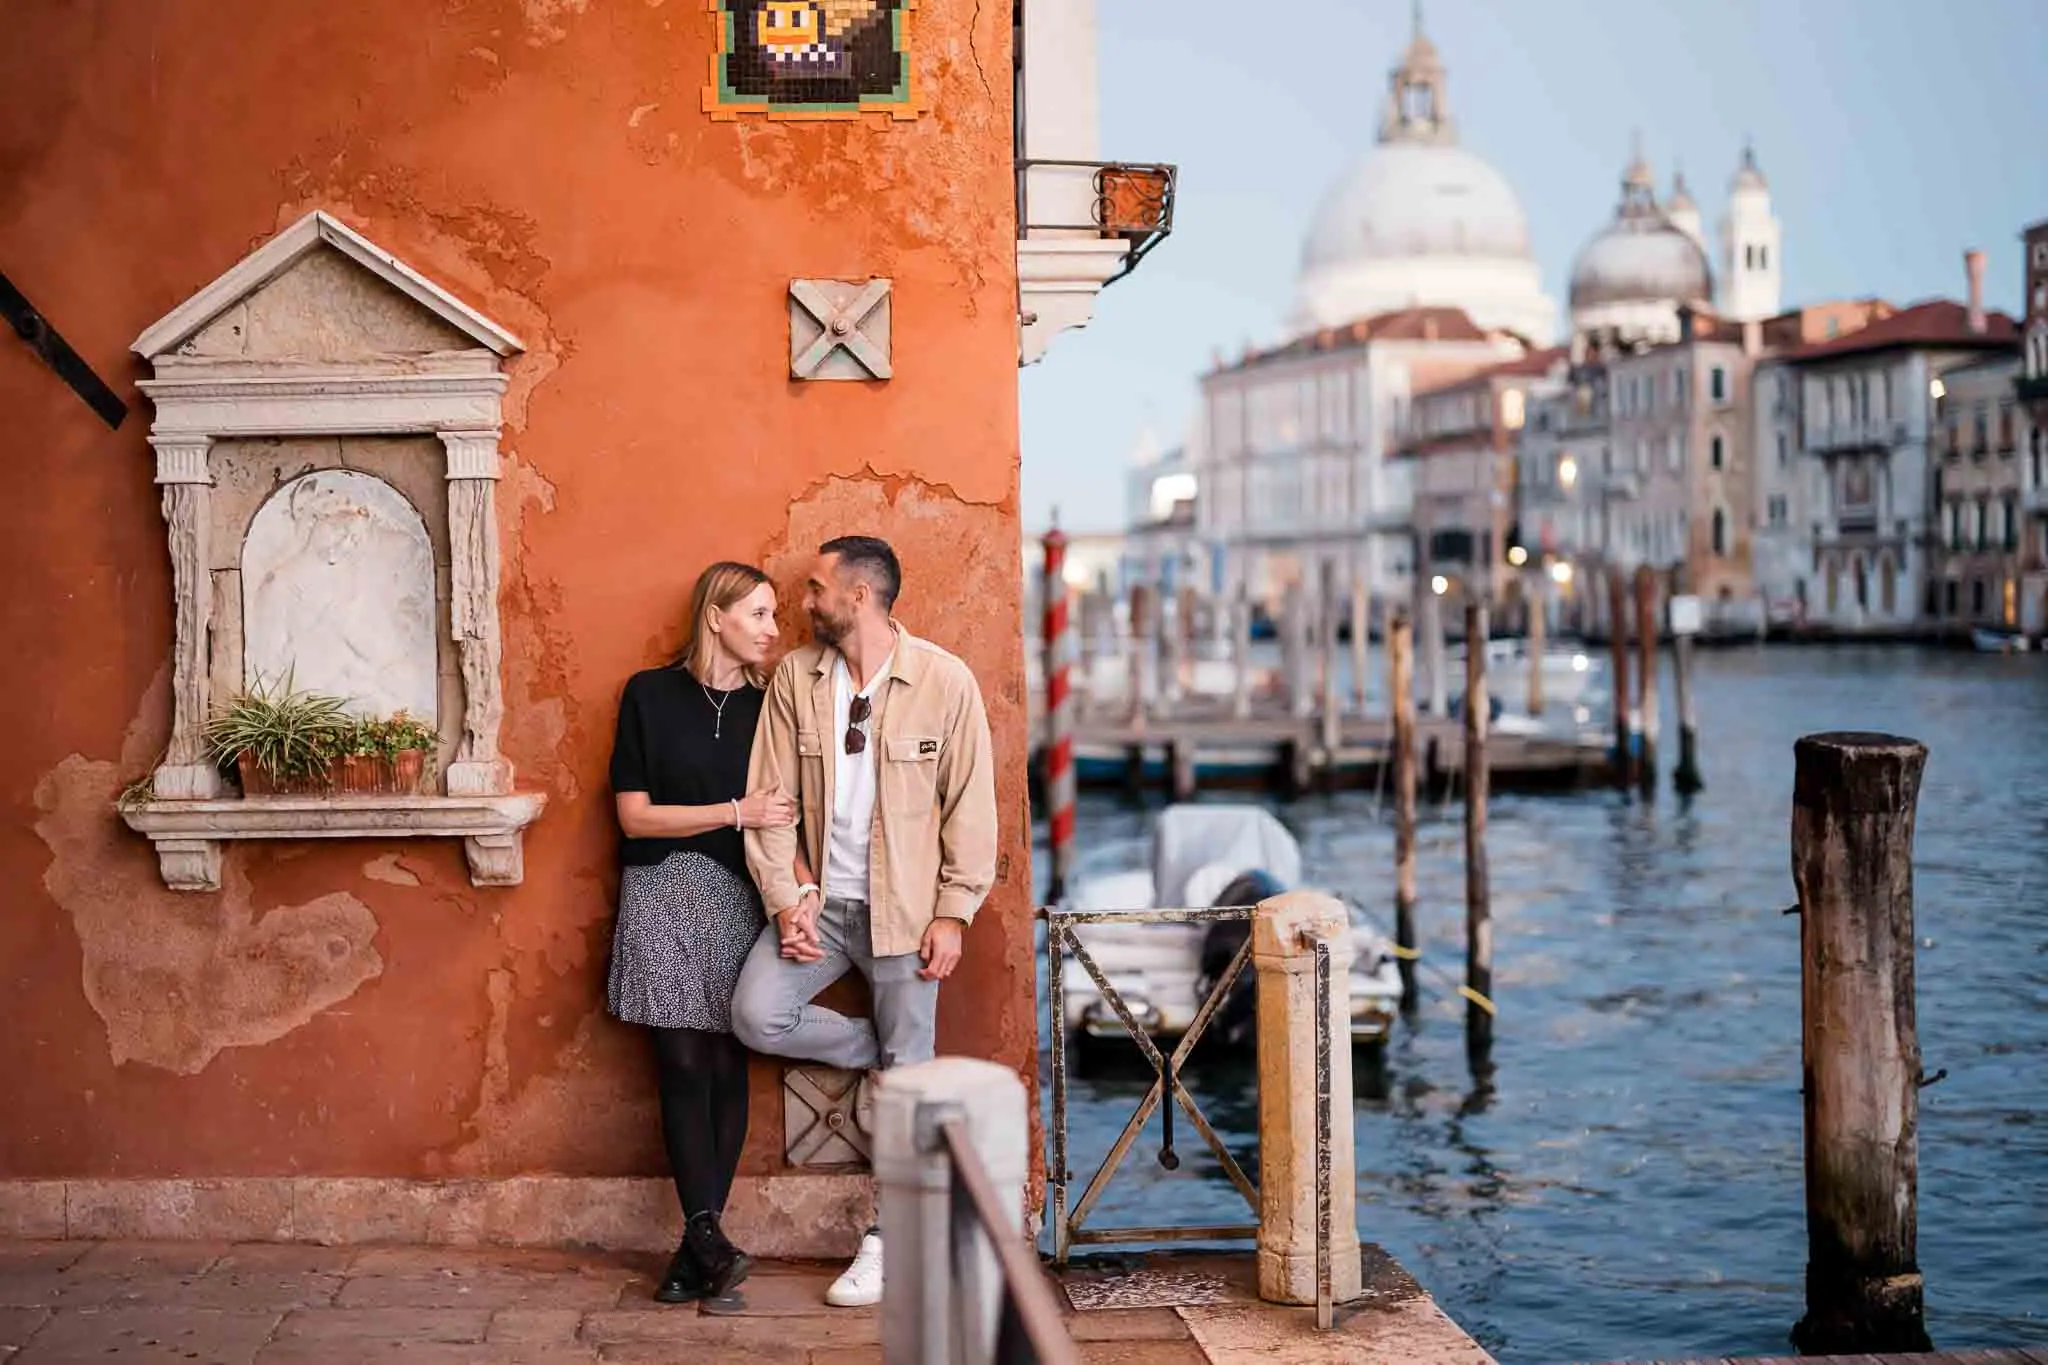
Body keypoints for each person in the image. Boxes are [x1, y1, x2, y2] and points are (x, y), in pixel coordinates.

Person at [733, 535, 998, 1308]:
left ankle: (887, 1240)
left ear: (858, 596)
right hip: (824, 908)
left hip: (908, 917)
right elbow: (771, 799)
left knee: (908, 1084)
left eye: (815, 588)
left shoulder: (943, 682)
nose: (801, 600)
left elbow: (970, 809)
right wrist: (787, 896)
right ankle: (887, 1057)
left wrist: (954, 912)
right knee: (755, 1012)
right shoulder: (795, 678)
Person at [608, 561, 817, 1306]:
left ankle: (701, 1246)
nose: (771, 628)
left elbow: (784, 816)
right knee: (680, 1061)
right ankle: (706, 1237)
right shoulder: (648, 695)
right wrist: (735, 811)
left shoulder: (773, 708)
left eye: (772, 615)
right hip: (662, 888)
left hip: (740, 896)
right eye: (758, 614)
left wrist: (798, 896)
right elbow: (635, 815)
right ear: (716, 617)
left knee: (729, 1064)